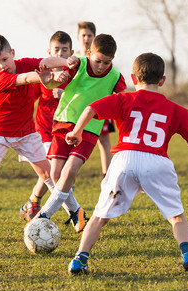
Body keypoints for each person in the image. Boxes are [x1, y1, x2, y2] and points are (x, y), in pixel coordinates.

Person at [66, 52, 188, 275]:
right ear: (162, 80)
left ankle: (79, 259)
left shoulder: (123, 99)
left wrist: (77, 131)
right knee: (176, 216)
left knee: (99, 215)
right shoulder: (176, 110)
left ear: (133, 78)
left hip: (124, 159)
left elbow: (90, 109)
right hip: (157, 161)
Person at [36, 34, 126, 233]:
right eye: (97, 61)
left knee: (71, 170)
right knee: (55, 173)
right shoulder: (78, 64)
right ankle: (76, 211)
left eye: (106, 62)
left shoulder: (116, 78)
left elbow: (122, 102)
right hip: (63, 122)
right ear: (88, 53)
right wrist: (48, 80)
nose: (101, 66)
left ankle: (43, 215)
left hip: (89, 131)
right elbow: (48, 69)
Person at [0, 34, 69, 221]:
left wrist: (69, 62)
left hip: (27, 133)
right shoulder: (1, 78)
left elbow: (46, 61)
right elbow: (27, 79)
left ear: (12, 53)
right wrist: (49, 77)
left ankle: (75, 213)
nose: (2, 65)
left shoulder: (25, 62)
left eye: (4, 59)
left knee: (49, 174)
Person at [18, 31, 74, 222]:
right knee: (52, 171)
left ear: (71, 52)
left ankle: (33, 201)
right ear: (48, 52)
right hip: (44, 130)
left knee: (58, 172)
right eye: (56, 50)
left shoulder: (74, 75)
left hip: (66, 130)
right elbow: (29, 98)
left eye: (64, 50)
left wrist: (66, 95)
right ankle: (72, 211)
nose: (59, 54)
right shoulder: (44, 74)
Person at [75, 21, 114, 177]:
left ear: (94, 37)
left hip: (99, 107)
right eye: (83, 35)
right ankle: (68, 179)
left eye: (89, 35)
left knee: (104, 141)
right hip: (78, 108)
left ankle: (107, 176)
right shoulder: (74, 58)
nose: (86, 38)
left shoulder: (103, 59)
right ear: (78, 37)